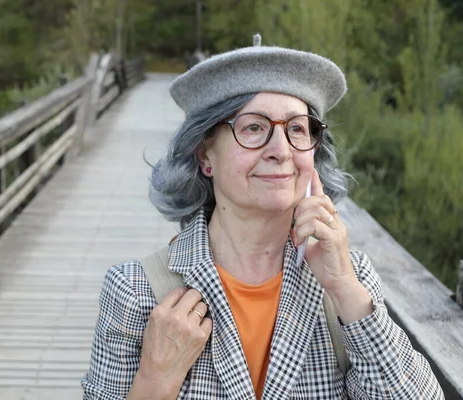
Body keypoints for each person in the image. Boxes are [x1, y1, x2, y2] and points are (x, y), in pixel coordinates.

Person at [81, 34, 444, 399]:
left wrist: (346, 290)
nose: (281, 150)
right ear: (205, 155)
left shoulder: (348, 282)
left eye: (298, 129)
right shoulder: (137, 291)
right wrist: (156, 379)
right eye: (254, 127)